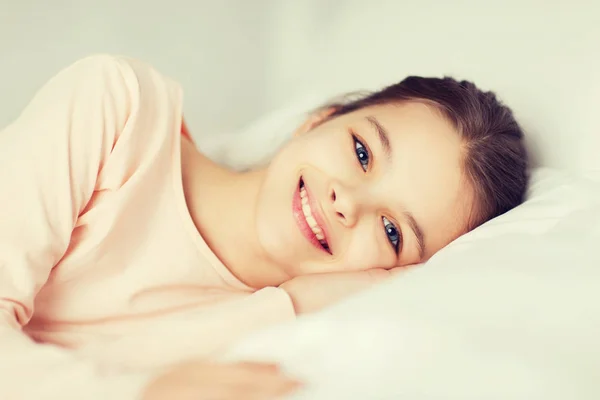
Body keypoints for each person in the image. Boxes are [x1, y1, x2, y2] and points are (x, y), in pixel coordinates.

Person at [0, 54, 528, 400]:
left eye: (392, 233)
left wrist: (290, 305)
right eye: (362, 152)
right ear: (320, 119)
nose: (349, 203)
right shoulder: (120, 110)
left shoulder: (283, 329)